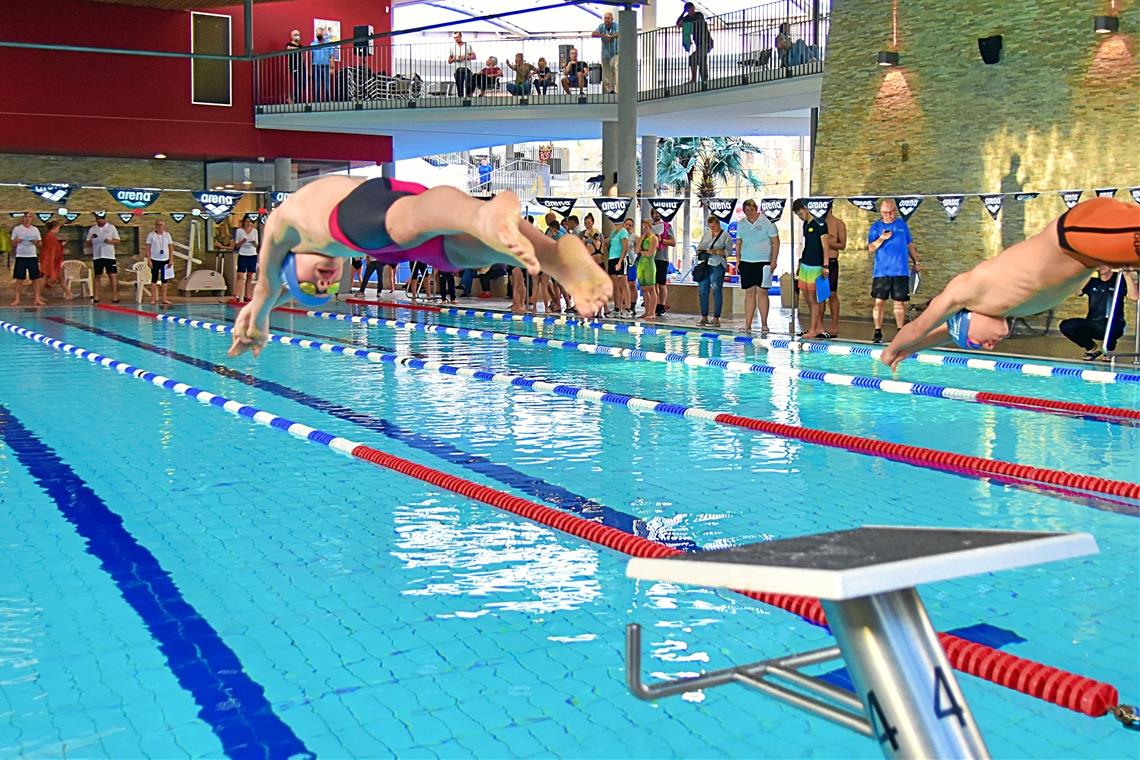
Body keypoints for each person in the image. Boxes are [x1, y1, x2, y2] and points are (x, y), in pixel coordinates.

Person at [228, 177, 610, 357]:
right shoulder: (342, 246)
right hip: (397, 237)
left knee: (400, 224)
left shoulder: (286, 226)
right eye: (324, 293)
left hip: (370, 211)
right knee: (462, 254)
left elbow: (265, 283)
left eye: (309, 286)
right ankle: (559, 259)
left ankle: (481, 214)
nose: (324, 284)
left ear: (290, 268)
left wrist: (259, 313)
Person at [881, 197, 1140, 370]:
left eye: (977, 343)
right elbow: (945, 334)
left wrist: (891, 351)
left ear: (967, 321)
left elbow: (918, 328)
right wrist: (910, 351)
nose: (990, 345)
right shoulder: (1002, 307)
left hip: (1076, 234)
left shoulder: (967, 290)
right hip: (1090, 248)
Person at [868, 198, 921, 343]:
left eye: (891, 212)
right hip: (882, 272)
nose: (889, 215)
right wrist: (882, 238)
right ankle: (878, 332)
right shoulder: (876, 227)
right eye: (886, 213)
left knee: (899, 303)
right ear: (881, 212)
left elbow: (909, 245)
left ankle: (900, 332)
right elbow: (871, 248)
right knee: (879, 302)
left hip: (900, 271)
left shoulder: (902, 225)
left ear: (895, 211)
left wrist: (916, 261)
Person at [1060, 266, 1138, 360]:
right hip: (1094, 324)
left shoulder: (1119, 280)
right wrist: (1088, 272)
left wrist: (1127, 275)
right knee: (1066, 326)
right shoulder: (1092, 281)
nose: (1102, 267)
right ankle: (1091, 348)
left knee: (1108, 326)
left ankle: (1110, 349)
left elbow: (1134, 297)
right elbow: (1078, 292)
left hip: (1114, 325)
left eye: (1105, 264)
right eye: (1099, 264)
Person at [791, 199, 837, 339]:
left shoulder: (820, 224)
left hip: (817, 265)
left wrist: (826, 266)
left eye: (800, 214)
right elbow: (808, 245)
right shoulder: (806, 224)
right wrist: (800, 264)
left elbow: (825, 247)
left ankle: (813, 329)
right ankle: (818, 327)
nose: (800, 217)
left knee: (816, 298)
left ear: (806, 208)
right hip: (806, 264)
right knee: (807, 296)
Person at [734, 199, 779, 333]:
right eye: (747, 211)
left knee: (762, 293)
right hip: (746, 261)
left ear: (756, 209)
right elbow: (738, 243)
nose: (749, 213)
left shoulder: (767, 222)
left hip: (763, 262)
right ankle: (747, 324)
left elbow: (776, 242)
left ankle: (764, 324)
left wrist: (773, 261)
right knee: (749, 294)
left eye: (751, 210)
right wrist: (738, 260)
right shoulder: (741, 224)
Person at [695, 215, 730, 326]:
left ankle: (716, 317)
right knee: (702, 290)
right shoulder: (706, 234)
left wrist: (715, 252)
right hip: (706, 264)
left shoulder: (725, 236)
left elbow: (728, 252)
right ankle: (704, 316)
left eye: (714, 226)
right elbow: (699, 248)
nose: (712, 229)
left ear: (718, 224)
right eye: (710, 227)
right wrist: (703, 251)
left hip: (718, 264)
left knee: (716, 289)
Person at [10, 212, 44, 306]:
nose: (27, 219)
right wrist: (17, 241)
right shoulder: (17, 229)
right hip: (21, 256)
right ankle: (17, 299)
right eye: (26, 217)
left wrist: (36, 242)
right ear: (23, 218)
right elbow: (12, 243)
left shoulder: (35, 230)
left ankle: (37, 299)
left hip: (32, 256)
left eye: (29, 217)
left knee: (35, 278)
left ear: (31, 218)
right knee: (19, 279)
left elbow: (40, 244)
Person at [85, 216, 121, 303]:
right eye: (98, 220)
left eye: (101, 219)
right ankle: (96, 296)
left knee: (112, 276)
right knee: (97, 276)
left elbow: (118, 241)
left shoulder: (111, 227)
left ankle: (115, 296)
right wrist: (92, 240)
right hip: (97, 256)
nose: (100, 221)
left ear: (105, 219)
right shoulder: (93, 229)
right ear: (96, 220)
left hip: (109, 256)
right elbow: (87, 242)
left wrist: (109, 241)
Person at [676, 2, 713, 84]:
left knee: (694, 58)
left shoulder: (699, 15)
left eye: (691, 9)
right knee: (701, 59)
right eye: (688, 10)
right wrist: (683, 13)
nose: (690, 12)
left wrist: (685, 24)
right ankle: (704, 80)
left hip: (707, 42)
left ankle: (695, 79)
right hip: (700, 44)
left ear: (694, 8)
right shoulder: (687, 17)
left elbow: (696, 20)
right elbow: (678, 23)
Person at [825, 211, 847, 336]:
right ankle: (817, 326)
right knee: (819, 296)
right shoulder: (817, 223)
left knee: (832, 294)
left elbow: (842, 245)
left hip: (832, 262)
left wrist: (826, 241)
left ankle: (834, 326)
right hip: (817, 262)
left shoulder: (838, 224)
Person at [650, 209, 675, 316]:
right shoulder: (649, 227)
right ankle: (655, 305)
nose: (656, 215)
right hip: (650, 258)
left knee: (661, 283)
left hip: (662, 258)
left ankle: (662, 305)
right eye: (654, 213)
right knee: (653, 283)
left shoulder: (666, 226)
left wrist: (661, 240)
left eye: (658, 213)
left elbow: (673, 242)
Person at [607, 217, 633, 317]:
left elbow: (625, 247)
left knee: (624, 284)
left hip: (620, 259)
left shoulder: (623, 231)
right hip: (612, 259)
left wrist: (619, 262)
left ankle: (627, 309)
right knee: (615, 286)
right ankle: (617, 309)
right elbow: (610, 247)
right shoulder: (613, 233)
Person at [145, 219, 174, 306]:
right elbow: (148, 249)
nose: (160, 227)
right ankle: (153, 299)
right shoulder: (151, 235)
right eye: (158, 225)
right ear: (155, 226)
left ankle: (164, 298)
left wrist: (171, 259)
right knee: (154, 279)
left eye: (162, 225)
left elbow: (170, 248)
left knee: (164, 280)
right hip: (155, 259)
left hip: (165, 260)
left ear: (164, 226)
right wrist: (149, 260)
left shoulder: (167, 235)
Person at [40, 220, 70, 300]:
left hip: (51, 260)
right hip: (50, 260)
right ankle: (38, 295)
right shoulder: (50, 237)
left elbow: (54, 248)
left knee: (60, 277)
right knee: (45, 277)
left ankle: (69, 294)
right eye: (58, 228)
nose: (58, 230)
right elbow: (52, 250)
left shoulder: (50, 236)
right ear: (55, 228)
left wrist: (61, 245)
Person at [231, 217, 260, 303]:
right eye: (247, 221)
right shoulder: (239, 231)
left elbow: (257, 245)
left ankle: (247, 296)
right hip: (243, 254)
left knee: (250, 276)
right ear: (243, 222)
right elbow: (236, 246)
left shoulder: (255, 231)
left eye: (250, 222)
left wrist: (254, 243)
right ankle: (236, 295)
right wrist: (242, 242)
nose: (248, 223)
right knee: (240, 275)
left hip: (252, 254)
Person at [635, 218, 659, 319]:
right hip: (641, 265)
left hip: (649, 265)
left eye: (646, 227)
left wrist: (642, 252)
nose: (644, 229)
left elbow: (650, 254)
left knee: (651, 288)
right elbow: (636, 250)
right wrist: (642, 238)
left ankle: (652, 312)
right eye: (643, 227)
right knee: (644, 289)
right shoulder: (642, 238)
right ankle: (646, 311)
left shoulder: (654, 238)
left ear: (650, 227)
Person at [592, 12, 620, 95]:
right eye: (605, 18)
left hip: (615, 52)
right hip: (605, 53)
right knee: (606, 73)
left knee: (613, 67)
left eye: (608, 18)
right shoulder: (601, 26)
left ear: (612, 19)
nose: (606, 20)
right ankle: (609, 90)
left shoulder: (616, 25)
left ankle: (617, 89)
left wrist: (611, 37)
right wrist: (603, 35)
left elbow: (619, 33)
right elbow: (593, 34)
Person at [310, 27, 334, 101]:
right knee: (317, 85)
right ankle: (317, 102)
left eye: (320, 33)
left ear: (323, 34)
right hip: (315, 67)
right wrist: (310, 70)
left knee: (327, 85)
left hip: (326, 67)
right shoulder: (313, 44)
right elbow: (310, 57)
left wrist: (332, 68)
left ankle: (328, 101)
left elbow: (331, 56)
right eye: (317, 33)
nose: (319, 34)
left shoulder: (328, 44)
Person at [449, 32, 476, 97]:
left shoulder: (468, 46)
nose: (456, 39)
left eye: (457, 37)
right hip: (457, 69)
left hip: (467, 69)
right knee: (459, 87)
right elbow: (449, 61)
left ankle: (469, 99)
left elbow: (474, 57)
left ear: (461, 37)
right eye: (455, 37)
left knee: (469, 86)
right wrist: (454, 59)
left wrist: (464, 57)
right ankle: (460, 101)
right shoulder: (452, 47)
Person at [286, 29, 305, 103]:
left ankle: (296, 99)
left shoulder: (300, 46)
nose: (298, 36)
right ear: (292, 36)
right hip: (294, 66)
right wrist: (299, 49)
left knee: (302, 83)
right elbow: (288, 49)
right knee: (298, 81)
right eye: (295, 35)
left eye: (298, 34)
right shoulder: (289, 44)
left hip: (301, 66)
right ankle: (291, 98)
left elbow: (302, 56)